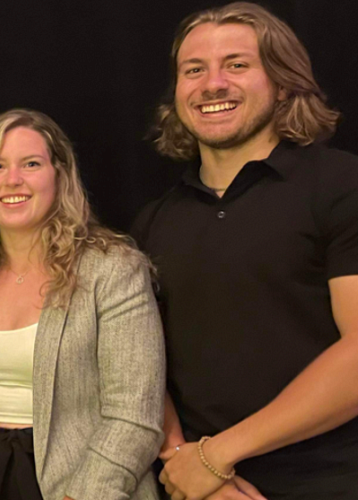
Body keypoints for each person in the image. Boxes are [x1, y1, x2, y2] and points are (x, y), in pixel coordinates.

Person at [133, 3, 358, 499]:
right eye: (194, 70)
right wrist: (186, 466)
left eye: (236, 64)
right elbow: (141, 365)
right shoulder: (154, 220)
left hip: (330, 480)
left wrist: (217, 457)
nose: (212, 84)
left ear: (282, 82)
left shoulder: (343, 187)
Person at [0, 109, 165, 500]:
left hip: (84, 486)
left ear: (60, 175)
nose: (12, 180)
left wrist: (83, 495)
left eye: (31, 164)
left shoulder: (111, 272)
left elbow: (135, 416)